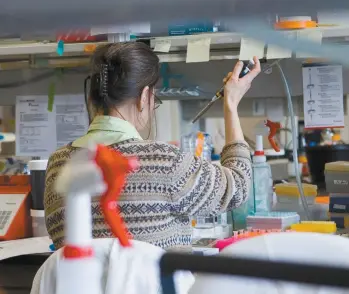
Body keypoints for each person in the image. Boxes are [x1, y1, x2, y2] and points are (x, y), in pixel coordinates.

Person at [44, 41, 261, 252]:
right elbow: (238, 187)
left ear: (91, 98)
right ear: (144, 97)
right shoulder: (165, 162)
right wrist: (230, 104)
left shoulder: (58, 165)